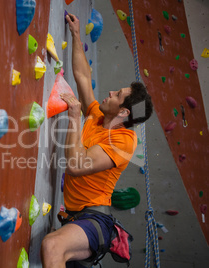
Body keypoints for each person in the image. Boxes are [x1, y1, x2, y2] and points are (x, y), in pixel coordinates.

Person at [40, 12, 153, 268]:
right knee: (55, 249)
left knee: (51, 245)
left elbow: (76, 166)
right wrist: (77, 35)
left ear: (124, 112)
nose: (111, 91)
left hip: (94, 220)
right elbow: (82, 77)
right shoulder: (97, 115)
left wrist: (72, 117)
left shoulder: (125, 142)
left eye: (118, 94)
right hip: (75, 219)